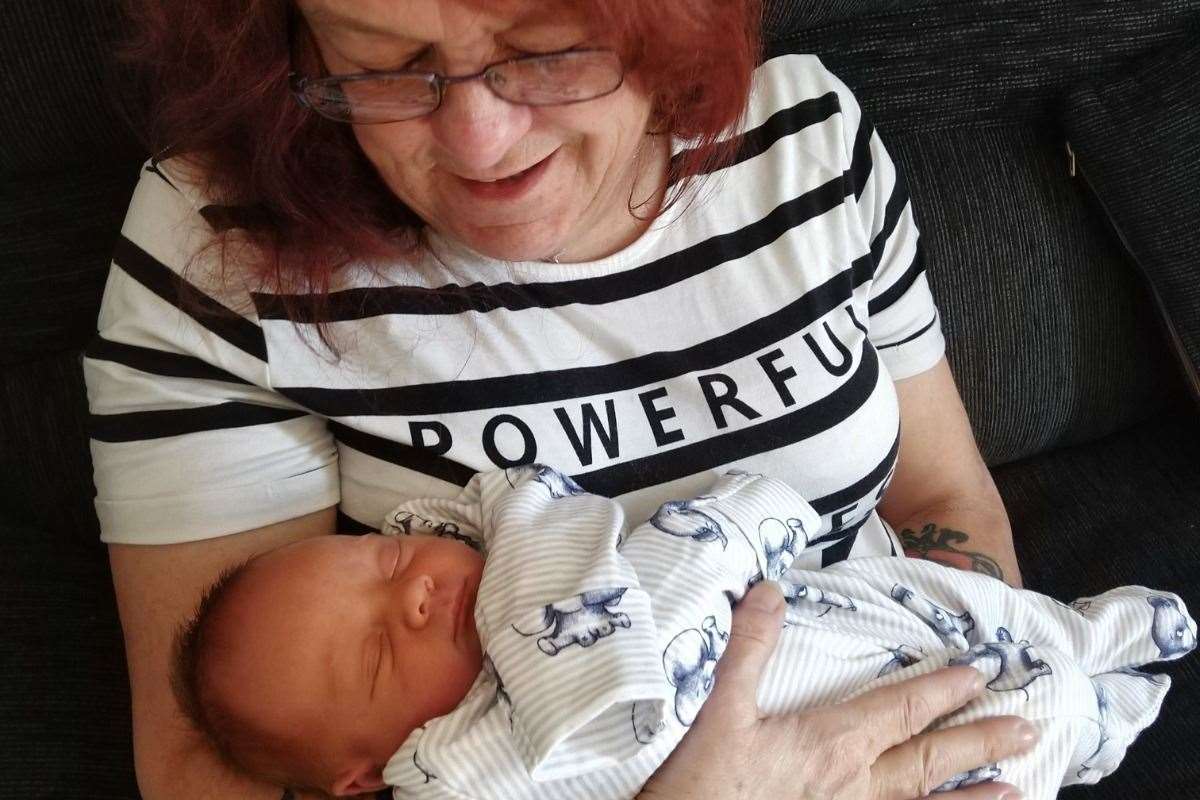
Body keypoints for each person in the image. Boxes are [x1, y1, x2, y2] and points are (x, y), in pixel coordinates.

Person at [88, 1, 1040, 798]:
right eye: (386, 63)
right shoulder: (217, 248)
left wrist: (980, 691)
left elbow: (945, 506)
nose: (479, 142)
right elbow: (213, 768)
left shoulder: (807, 136)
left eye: (546, 53)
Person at [171, 466, 1195, 799]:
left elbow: (945, 497)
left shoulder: (532, 546)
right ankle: (1083, 692)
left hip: (860, 621)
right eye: (379, 654)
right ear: (363, 770)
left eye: (384, 564)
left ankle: (1082, 645)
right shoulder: (456, 770)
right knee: (1035, 723)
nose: (417, 600)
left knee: (990, 654)